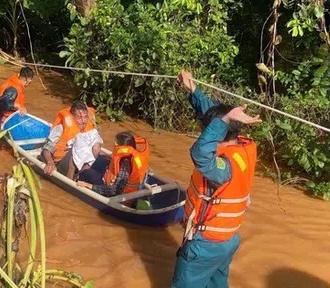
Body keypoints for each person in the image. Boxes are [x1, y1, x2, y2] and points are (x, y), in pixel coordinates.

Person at [171, 70, 261, 288]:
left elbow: (200, 153)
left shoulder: (223, 166)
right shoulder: (241, 147)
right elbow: (210, 114)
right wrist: (191, 88)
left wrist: (225, 117)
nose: (204, 131)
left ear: (220, 130)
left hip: (206, 245)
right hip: (227, 241)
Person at [76, 131, 149, 197]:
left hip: (118, 196)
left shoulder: (125, 163)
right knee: (103, 160)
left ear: (120, 145)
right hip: (130, 191)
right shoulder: (134, 156)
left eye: (115, 143)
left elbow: (115, 190)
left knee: (85, 173)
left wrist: (90, 186)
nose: (114, 145)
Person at [41, 101, 101, 178]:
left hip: (81, 164)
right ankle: (72, 178)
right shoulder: (61, 127)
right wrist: (50, 162)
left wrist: (109, 156)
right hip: (62, 163)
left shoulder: (89, 129)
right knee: (80, 146)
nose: (83, 121)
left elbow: (95, 148)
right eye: (79, 117)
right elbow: (47, 148)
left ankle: (82, 175)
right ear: (72, 116)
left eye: (85, 117)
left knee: (97, 148)